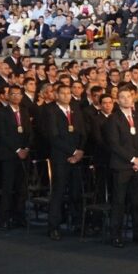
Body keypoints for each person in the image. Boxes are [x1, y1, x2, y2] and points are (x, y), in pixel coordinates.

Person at [105, 84, 138, 248]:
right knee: (119, 202)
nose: (126, 99)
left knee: (137, 202)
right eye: (122, 97)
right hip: (121, 166)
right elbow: (114, 144)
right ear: (117, 100)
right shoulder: (113, 119)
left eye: (128, 97)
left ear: (133, 98)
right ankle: (116, 235)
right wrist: (132, 159)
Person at [47, 84, 87, 241]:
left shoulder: (75, 109)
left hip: (77, 158)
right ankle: (54, 227)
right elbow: (53, 136)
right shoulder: (52, 111)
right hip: (60, 158)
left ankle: (77, 223)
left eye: (68, 93)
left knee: (76, 192)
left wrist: (80, 151)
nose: (66, 96)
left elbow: (83, 132)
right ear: (56, 95)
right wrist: (73, 152)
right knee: (58, 193)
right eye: (62, 93)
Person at [0, 85, 32, 230]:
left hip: (24, 155)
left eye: (19, 94)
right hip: (9, 154)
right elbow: (2, 134)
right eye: (13, 94)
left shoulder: (24, 110)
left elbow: (29, 132)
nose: (16, 96)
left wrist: (27, 148)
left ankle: (19, 216)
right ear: (8, 96)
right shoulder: (1, 112)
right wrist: (17, 149)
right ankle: (4, 218)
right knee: (7, 187)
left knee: (21, 188)